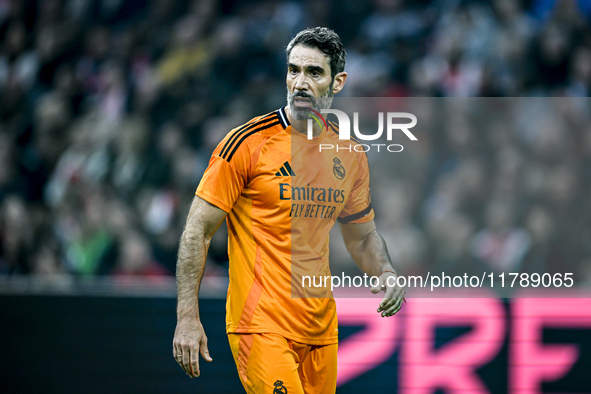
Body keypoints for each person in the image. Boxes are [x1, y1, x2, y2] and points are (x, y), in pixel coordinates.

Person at [172, 27, 405, 394]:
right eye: (293, 70)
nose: (300, 82)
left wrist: (386, 270)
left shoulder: (349, 154)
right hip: (260, 325)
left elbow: (362, 238)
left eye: (314, 73)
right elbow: (196, 231)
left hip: (320, 330)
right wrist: (187, 316)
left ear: (337, 82)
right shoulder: (246, 143)